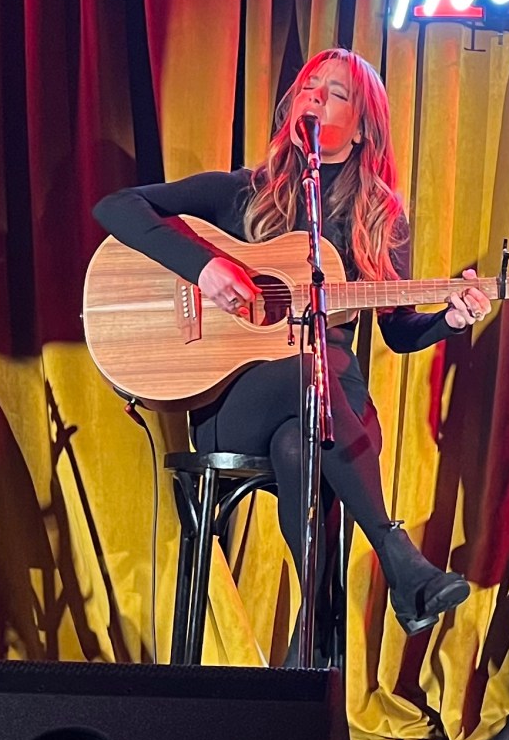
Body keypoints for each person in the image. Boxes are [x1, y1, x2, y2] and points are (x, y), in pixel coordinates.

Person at [94, 47, 483, 651]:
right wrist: (205, 267)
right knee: (313, 371)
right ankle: (398, 558)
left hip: (329, 410)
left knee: (301, 440)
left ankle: (313, 634)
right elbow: (115, 206)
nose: (315, 97)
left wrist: (449, 321)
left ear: (362, 130)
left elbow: (399, 331)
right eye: (309, 86)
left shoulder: (378, 218)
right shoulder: (242, 193)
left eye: (337, 93)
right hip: (235, 405)